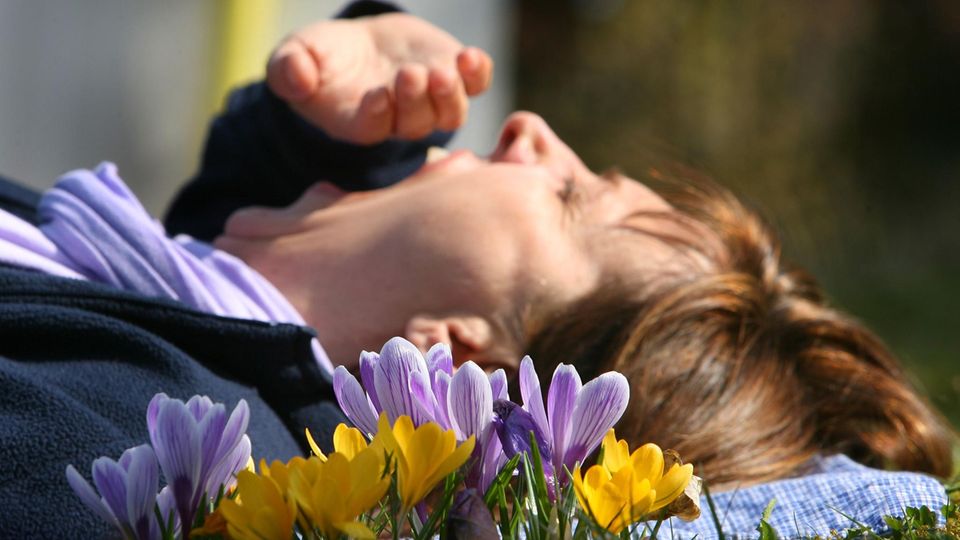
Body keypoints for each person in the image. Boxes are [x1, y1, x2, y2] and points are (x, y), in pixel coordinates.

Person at [0, 2, 952, 537]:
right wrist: (309, 140)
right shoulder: (153, 297)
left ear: (457, 364)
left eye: (568, 198)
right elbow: (214, 305)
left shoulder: (135, 457)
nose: (533, 132)